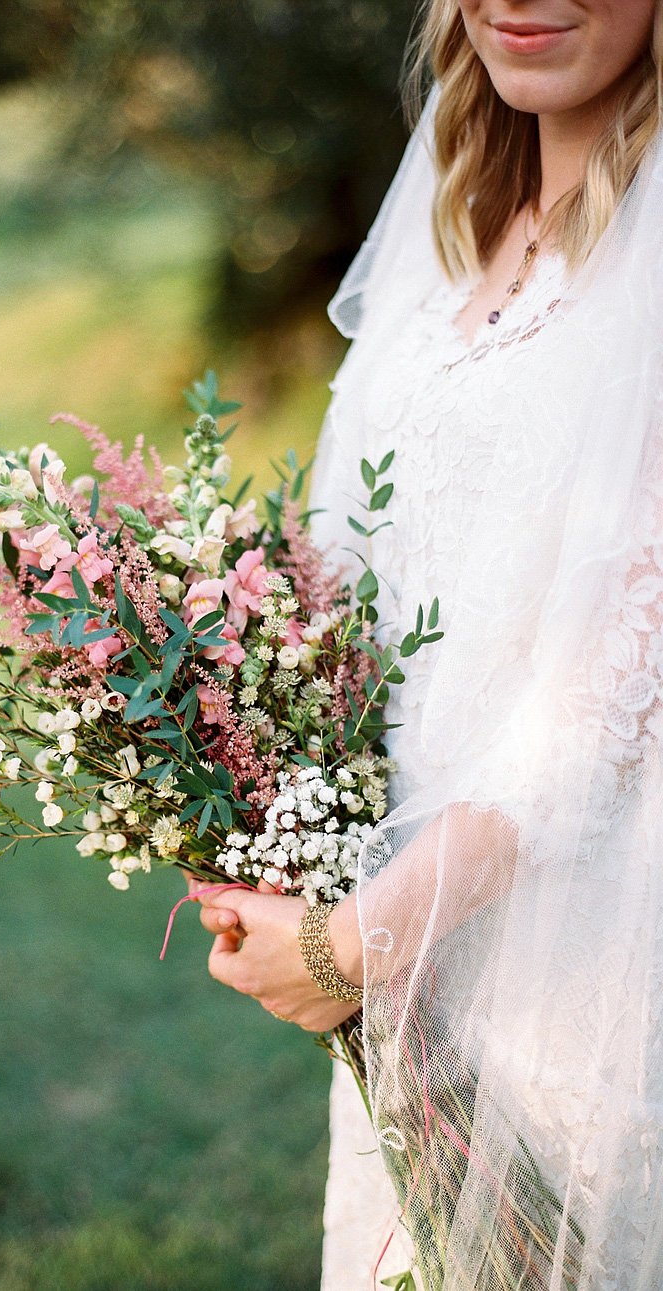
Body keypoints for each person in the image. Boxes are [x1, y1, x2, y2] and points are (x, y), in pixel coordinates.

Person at [193, 2, 663, 1287]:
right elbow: (345, 577)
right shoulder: (454, 239)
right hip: (408, 952)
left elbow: (620, 693)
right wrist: (216, 783)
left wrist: (360, 942)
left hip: (587, 952)